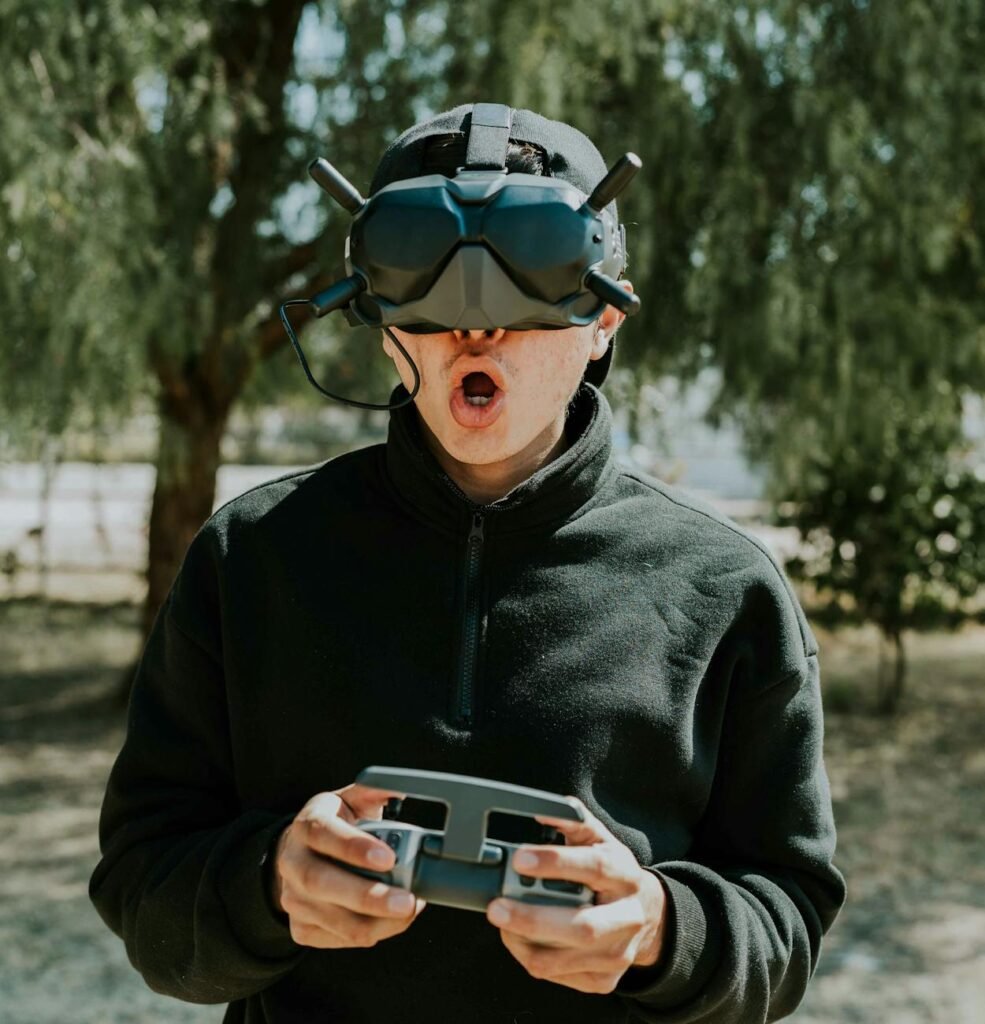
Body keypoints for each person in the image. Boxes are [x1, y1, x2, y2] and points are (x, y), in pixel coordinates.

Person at [89, 103, 846, 1024]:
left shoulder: (723, 590)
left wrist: (657, 928)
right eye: (421, 267)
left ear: (604, 317)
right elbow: (141, 882)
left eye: (532, 267)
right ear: (377, 316)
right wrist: (268, 886)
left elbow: (787, 920)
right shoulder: (253, 557)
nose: (474, 328)